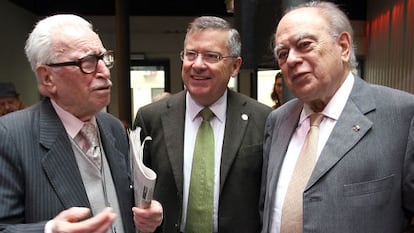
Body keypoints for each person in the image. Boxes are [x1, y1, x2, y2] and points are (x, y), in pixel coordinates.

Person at [260, 1, 414, 233]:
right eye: (282, 53)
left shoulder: (401, 114)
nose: (291, 60)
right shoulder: (278, 119)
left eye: (304, 45)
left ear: (343, 46)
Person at [0, 14, 163, 233]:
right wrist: (49, 230)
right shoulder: (11, 136)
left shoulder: (113, 128)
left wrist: (148, 215)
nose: (104, 72)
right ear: (48, 78)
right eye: (87, 63)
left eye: (104, 59)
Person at [133, 16, 272, 233]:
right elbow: (136, 190)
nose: (197, 65)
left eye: (211, 56)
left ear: (235, 66)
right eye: (191, 54)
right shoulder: (151, 118)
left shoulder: (262, 119)